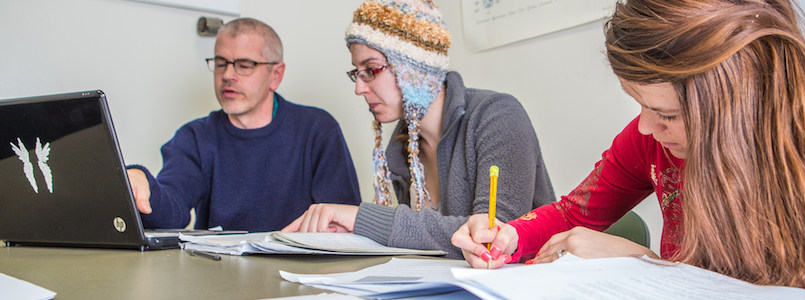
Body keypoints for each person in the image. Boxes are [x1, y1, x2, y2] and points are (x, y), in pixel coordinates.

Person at [452, 0, 805, 297]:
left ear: (747, 105)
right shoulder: (651, 138)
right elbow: (575, 213)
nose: (646, 127)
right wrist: (510, 236)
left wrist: (648, 265)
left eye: (667, 113)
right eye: (640, 104)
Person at [281, 0, 555, 259]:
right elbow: (420, 245)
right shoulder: (401, 149)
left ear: (414, 68)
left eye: (371, 70)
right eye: (357, 73)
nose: (359, 88)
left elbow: (491, 239)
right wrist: (357, 232)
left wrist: (362, 219)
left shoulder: (498, 115)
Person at [126, 18, 362, 232]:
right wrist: (142, 184)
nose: (228, 75)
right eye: (221, 63)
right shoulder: (195, 137)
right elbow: (171, 213)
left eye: (244, 65)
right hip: (217, 265)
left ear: (276, 75)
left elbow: (343, 224)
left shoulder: (317, 130)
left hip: (297, 265)